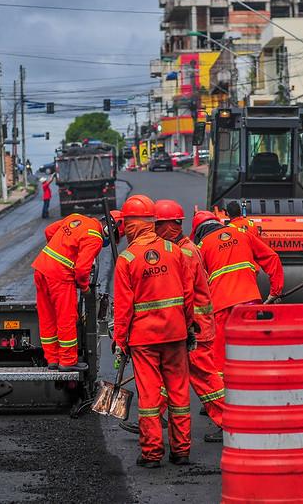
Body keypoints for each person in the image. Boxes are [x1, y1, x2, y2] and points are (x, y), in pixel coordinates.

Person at [113, 194, 194, 468]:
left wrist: (120, 340)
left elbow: (123, 308)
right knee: (179, 393)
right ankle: (181, 451)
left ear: (132, 225)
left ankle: (152, 454)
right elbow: (188, 294)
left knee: (149, 397)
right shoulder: (175, 252)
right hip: (175, 334)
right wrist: (188, 326)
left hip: (144, 339)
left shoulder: (126, 259)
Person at [155, 199, 225, 443]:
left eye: (158, 226)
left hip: (195, 328)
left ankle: (231, 423)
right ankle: (155, 415)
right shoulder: (183, 248)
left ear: (166, 225)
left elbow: (183, 294)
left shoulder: (184, 253)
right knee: (170, 371)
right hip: (192, 325)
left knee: (205, 378)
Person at [192, 210, 284, 373]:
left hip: (221, 306)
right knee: (247, 348)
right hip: (249, 302)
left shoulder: (201, 246)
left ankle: (224, 393)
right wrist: (274, 292)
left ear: (199, 232)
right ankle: (249, 386)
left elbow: (195, 284)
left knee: (220, 354)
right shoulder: (242, 234)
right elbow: (272, 258)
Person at [31, 212, 107, 372]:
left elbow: (49, 231)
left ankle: (52, 359)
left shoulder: (75, 218)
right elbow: (81, 270)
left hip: (41, 268)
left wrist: (61, 249)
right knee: (66, 317)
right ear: (109, 230)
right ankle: (67, 361)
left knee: (47, 316)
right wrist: (85, 288)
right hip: (60, 276)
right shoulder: (95, 236)